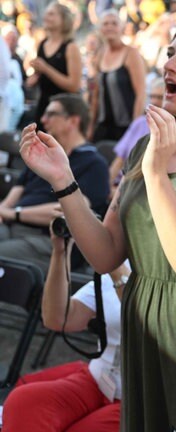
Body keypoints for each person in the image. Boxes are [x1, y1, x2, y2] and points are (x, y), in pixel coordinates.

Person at [18, 17, 176, 431]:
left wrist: (157, 174)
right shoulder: (147, 146)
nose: (169, 66)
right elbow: (107, 251)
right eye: (169, 54)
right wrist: (62, 179)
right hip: (140, 323)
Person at [2, 228, 129, 432]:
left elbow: (147, 323)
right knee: (24, 402)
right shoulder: (116, 268)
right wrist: (61, 251)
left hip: (143, 401)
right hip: (97, 380)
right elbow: (58, 319)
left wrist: (113, 262)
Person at [0, 93, 109, 272]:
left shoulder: (95, 163)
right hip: (13, 227)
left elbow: (66, 212)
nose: (43, 119)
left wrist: (14, 213)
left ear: (73, 121)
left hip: (49, 239)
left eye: (51, 114)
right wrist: (4, 212)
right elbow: (14, 195)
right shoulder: (42, 153)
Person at [89, 9, 146, 142]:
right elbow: (96, 96)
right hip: (104, 127)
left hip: (126, 128)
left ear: (121, 28)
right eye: (106, 24)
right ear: (100, 29)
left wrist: (135, 128)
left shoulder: (131, 53)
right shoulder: (100, 55)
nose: (110, 27)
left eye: (114, 23)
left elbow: (141, 94)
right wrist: (91, 127)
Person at [27, 2, 82, 129]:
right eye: (46, 14)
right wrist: (34, 78)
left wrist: (46, 69)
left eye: (51, 14)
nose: (46, 17)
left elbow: (74, 86)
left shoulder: (70, 47)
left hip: (63, 111)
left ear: (63, 19)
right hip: (44, 106)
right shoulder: (42, 44)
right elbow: (42, 75)